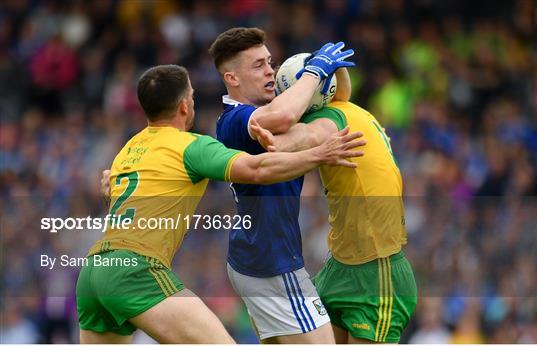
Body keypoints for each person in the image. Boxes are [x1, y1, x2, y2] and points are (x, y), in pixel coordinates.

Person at [78, 64, 364, 344]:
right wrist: (318, 154)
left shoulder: (128, 149)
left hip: (94, 271)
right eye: (191, 95)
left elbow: (118, 193)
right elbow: (257, 170)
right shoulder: (191, 146)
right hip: (134, 270)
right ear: (184, 105)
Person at [208, 27, 355, 343]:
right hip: (272, 264)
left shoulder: (263, 111)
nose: (270, 70)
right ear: (232, 79)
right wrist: (315, 71)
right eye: (257, 65)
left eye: (270, 62)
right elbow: (285, 116)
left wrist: (334, 74)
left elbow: (331, 104)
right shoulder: (234, 120)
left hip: (254, 258)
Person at [250, 69, 418, 344]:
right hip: (339, 269)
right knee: (280, 326)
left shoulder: (327, 122)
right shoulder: (347, 109)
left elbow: (306, 136)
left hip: (377, 276)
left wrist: (277, 142)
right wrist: (333, 68)